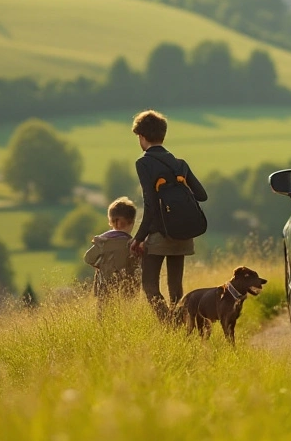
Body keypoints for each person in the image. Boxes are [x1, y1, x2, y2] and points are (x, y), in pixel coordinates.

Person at [130, 109, 208, 319]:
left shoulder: (143, 163)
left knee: (149, 285)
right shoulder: (180, 163)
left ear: (142, 137)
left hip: (159, 235)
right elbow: (201, 195)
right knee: (176, 289)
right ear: (162, 135)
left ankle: (168, 325)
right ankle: (181, 323)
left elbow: (151, 205)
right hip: (184, 234)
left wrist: (138, 238)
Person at [82, 197, 139, 306]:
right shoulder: (132, 244)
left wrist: (99, 264)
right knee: (126, 312)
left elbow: (88, 258)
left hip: (104, 285)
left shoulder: (103, 242)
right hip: (128, 287)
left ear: (110, 222)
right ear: (132, 222)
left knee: (103, 315)